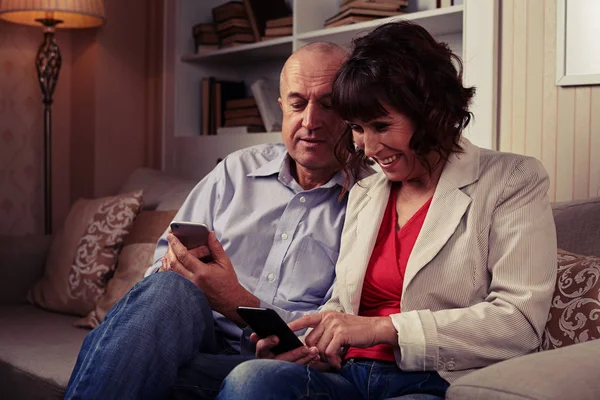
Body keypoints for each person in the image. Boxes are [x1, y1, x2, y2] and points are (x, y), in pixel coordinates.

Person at [216, 21, 558, 400]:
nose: (368, 146)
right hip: (347, 376)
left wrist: (383, 330)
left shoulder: (511, 180)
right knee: (251, 378)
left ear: (431, 112)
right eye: (358, 128)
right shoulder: (366, 190)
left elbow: (519, 322)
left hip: (432, 380)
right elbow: (342, 307)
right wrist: (313, 347)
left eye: (381, 125)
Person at [65, 42, 372, 400]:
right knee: (170, 289)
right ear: (281, 109)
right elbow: (158, 277)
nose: (310, 121)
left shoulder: (370, 199)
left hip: (277, 366)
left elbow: (342, 327)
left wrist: (236, 301)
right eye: (298, 103)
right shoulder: (236, 171)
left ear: (352, 111)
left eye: (329, 104)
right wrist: (179, 269)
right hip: (197, 341)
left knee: (113, 359)